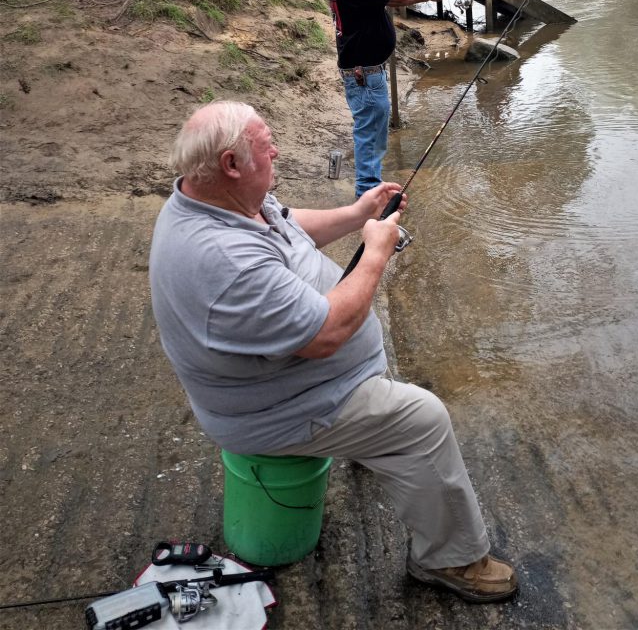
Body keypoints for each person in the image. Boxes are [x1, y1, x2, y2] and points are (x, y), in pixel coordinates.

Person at [149, 100, 519, 604]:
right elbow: (328, 333)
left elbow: (289, 224)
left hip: (297, 383)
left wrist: (357, 214)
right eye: (265, 144)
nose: (276, 149)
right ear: (232, 165)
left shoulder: (220, 200)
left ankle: (370, 447)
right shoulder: (222, 260)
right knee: (424, 419)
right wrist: (375, 251)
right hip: (274, 411)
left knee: (382, 379)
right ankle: (449, 559)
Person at [329, 0, 470, 198]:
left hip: (362, 73)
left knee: (371, 137)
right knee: (370, 138)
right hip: (365, 76)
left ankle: (369, 195)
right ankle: (369, 203)